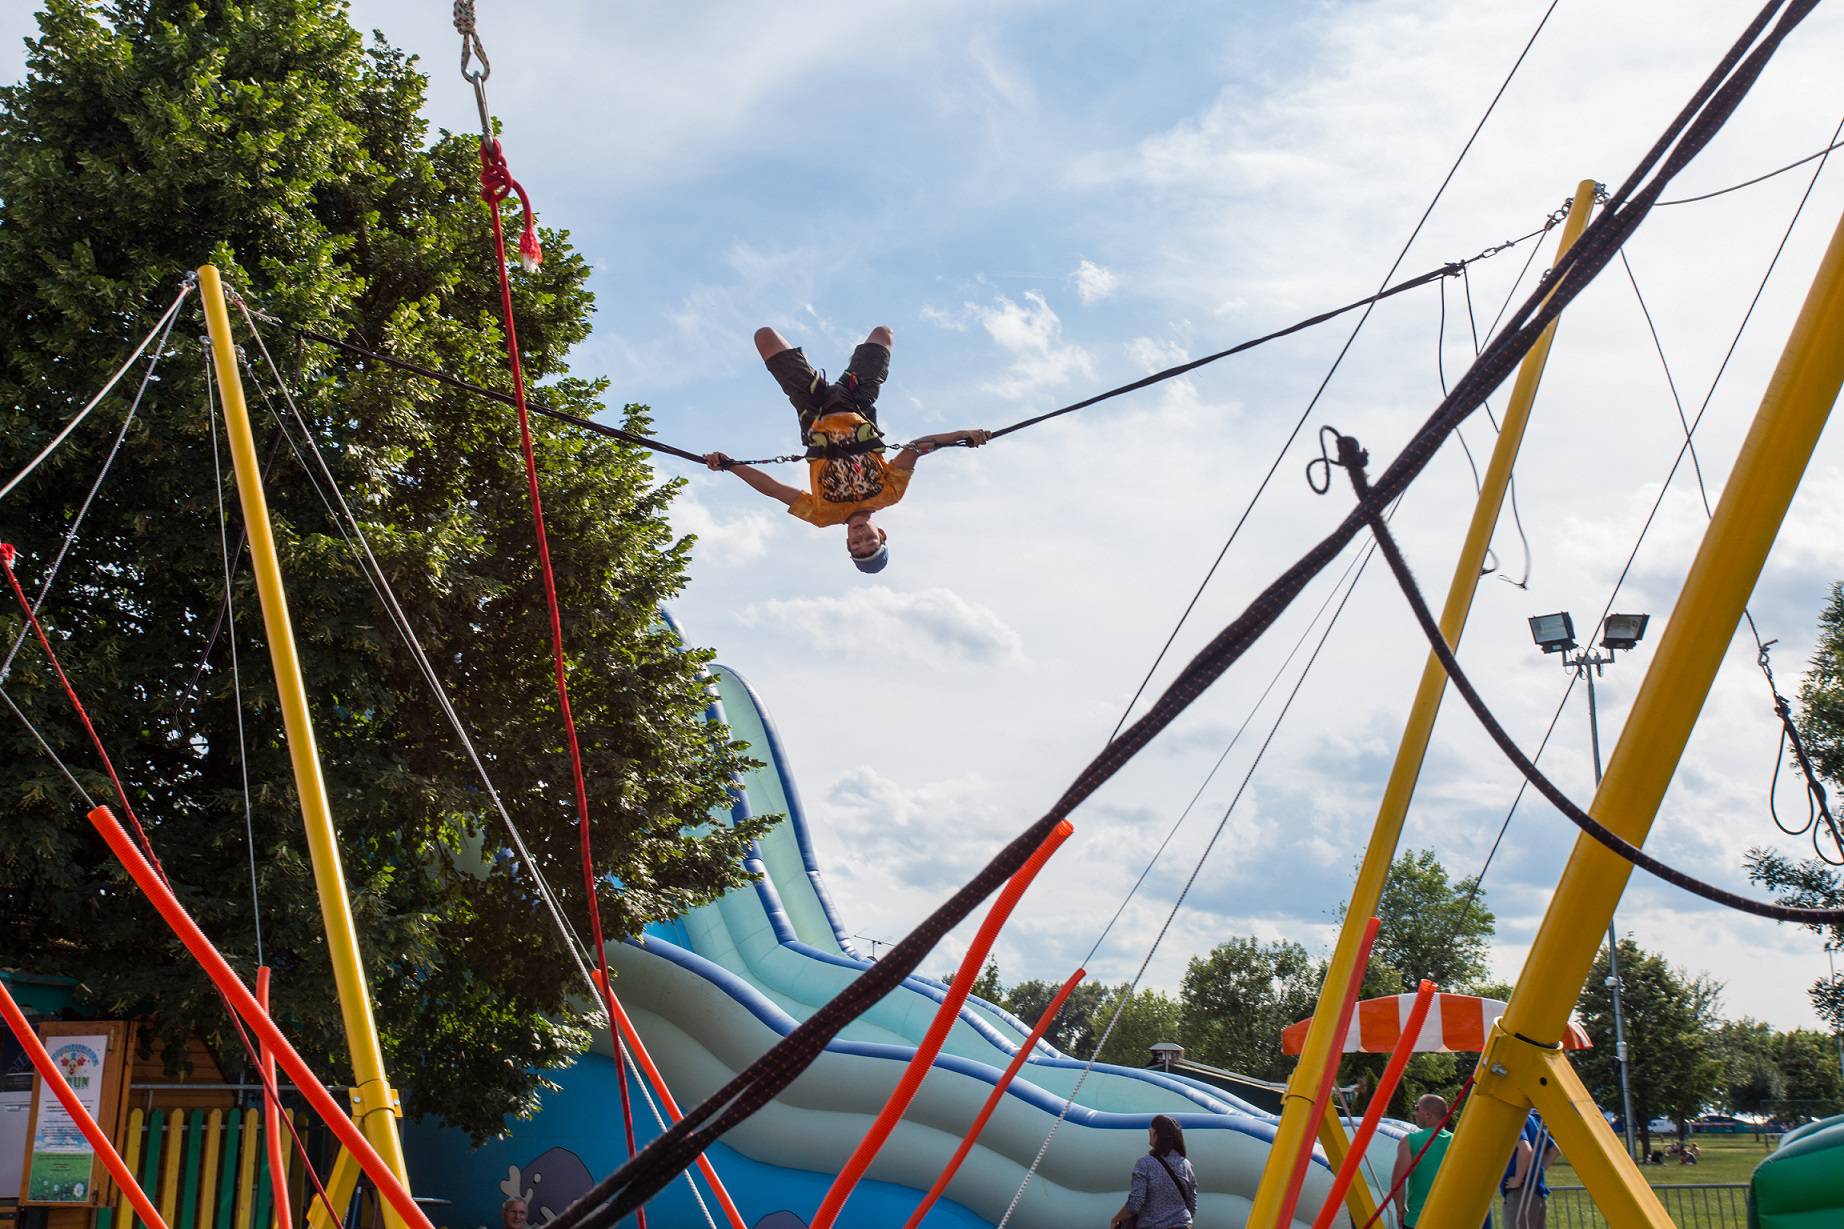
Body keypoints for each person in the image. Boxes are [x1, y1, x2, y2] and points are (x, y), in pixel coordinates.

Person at [704, 326, 991, 573]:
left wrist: (730, 465)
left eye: (857, 545)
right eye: (870, 541)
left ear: (848, 544)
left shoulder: (822, 514)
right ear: (881, 534)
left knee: (764, 337)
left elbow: (773, 489)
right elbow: (916, 448)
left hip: (814, 409)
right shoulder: (890, 493)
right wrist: (963, 435)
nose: (861, 538)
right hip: (857, 402)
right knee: (883, 333)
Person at [1110, 1114, 1197, 1229]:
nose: (1149, 1129)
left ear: (1158, 1134)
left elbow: (1135, 1203)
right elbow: (1191, 1205)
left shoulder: (1145, 1164)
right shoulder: (1186, 1165)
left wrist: (1116, 1219)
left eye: (1152, 1127)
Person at [1501, 1110, 1558, 1229]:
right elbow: (1554, 1150)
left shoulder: (1514, 1118)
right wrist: (1536, 1171)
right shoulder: (1532, 1120)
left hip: (1519, 1195)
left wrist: (1518, 1179)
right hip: (1537, 1193)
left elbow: (1525, 1149)